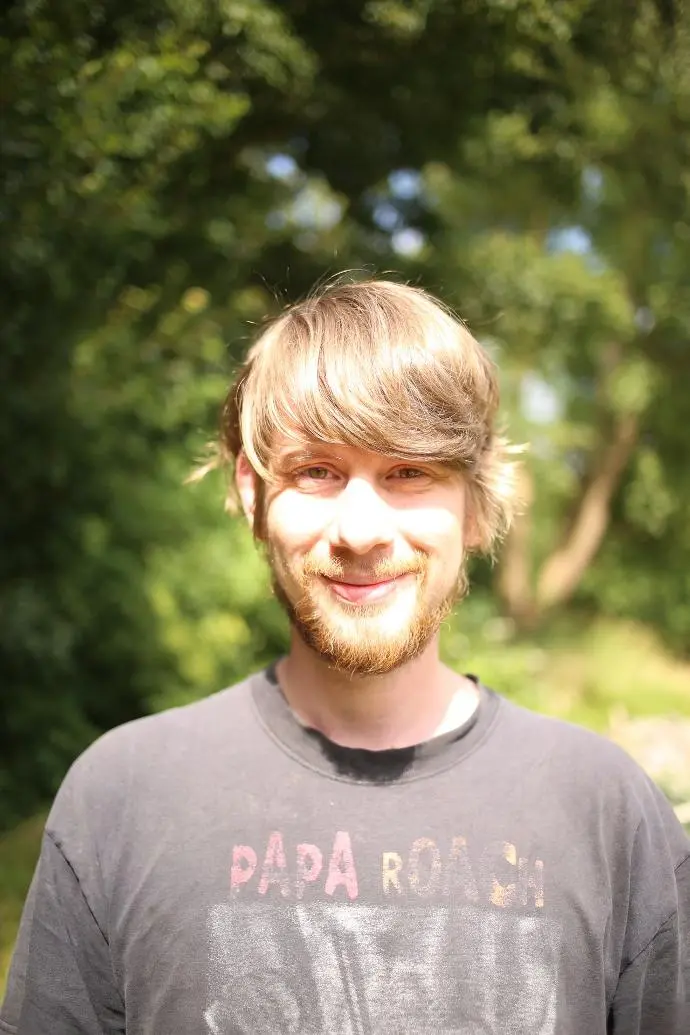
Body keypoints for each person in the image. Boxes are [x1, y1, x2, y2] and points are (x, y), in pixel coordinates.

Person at [2, 278, 689, 1035]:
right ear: (253, 492)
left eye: (409, 471)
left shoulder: (608, 812)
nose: (360, 531)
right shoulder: (121, 797)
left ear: (476, 504)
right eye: (316, 471)